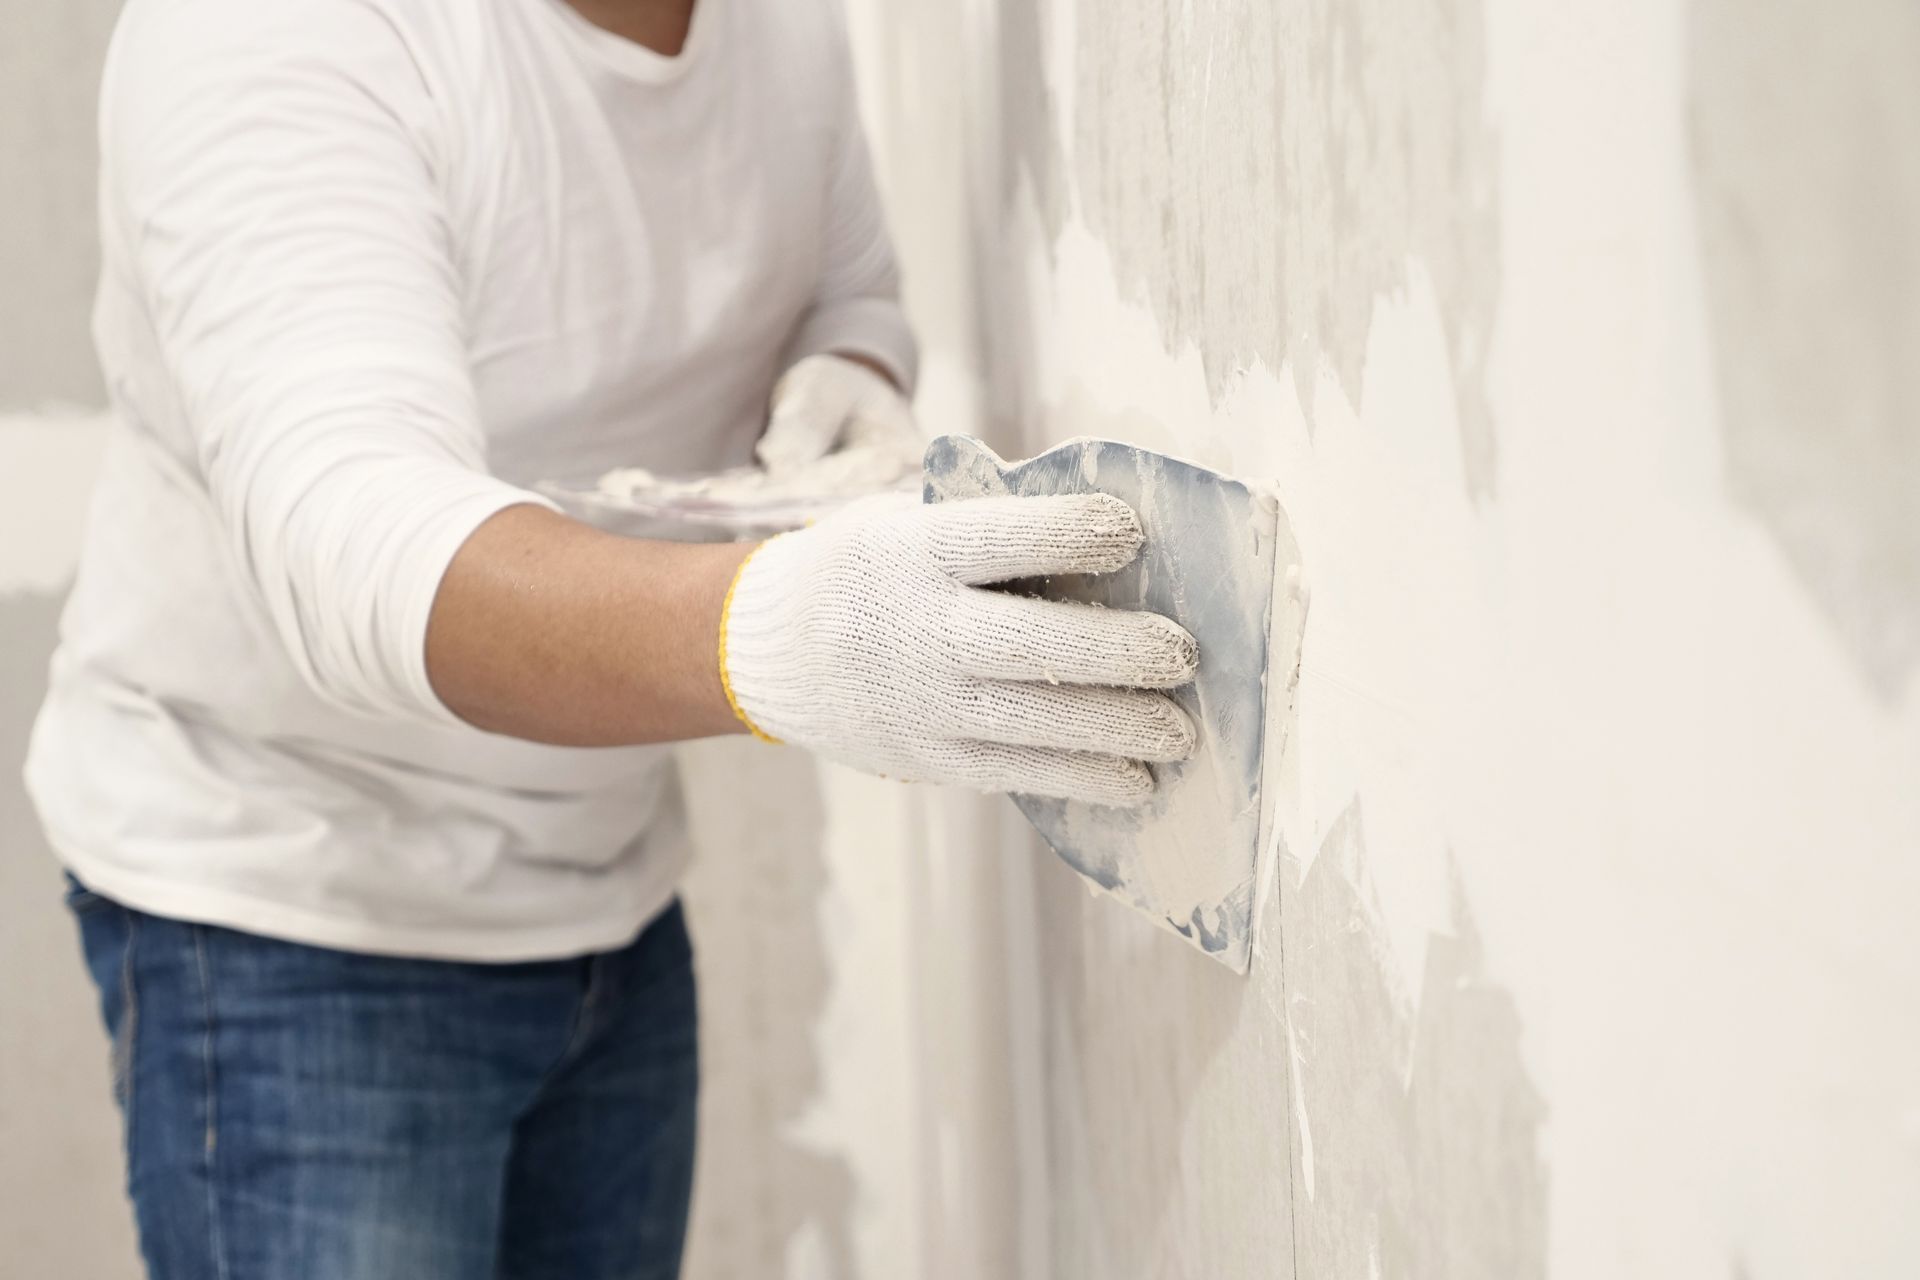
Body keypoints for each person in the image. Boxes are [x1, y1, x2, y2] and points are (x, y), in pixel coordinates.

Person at [24, 0, 1197, 1276]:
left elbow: (841, 287)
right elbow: (350, 545)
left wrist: (848, 372)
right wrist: (787, 633)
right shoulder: (281, 33)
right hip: (293, 907)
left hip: (606, 891)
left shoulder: (775, 27)